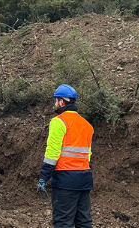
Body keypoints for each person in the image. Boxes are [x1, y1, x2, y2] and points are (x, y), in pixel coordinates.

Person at [37, 84, 94, 228]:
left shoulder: (59, 122)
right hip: (84, 179)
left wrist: (44, 178)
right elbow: (88, 156)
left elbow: (52, 153)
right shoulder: (86, 125)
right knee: (84, 222)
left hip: (65, 181)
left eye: (56, 101)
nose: (55, 104)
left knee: (63, 222)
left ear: (62, 102)